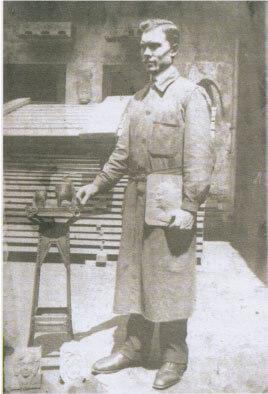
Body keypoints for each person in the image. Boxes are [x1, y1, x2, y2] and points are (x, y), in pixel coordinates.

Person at [76, 18, 214, 390]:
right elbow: (122, 153)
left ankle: (173, 356)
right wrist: (97, 183)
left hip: (171, 201)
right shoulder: (137, 99)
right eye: (143, 47)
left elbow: (201, 156)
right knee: (136, 275)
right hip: (135, 200)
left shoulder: (190, 95)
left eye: (154, 46)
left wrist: (189, 206)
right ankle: (134, 348)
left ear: (174, 49)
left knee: (171, 277)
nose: (147, 53)